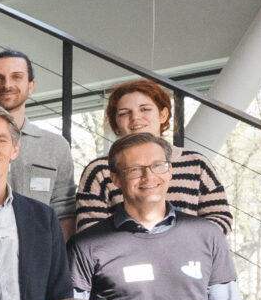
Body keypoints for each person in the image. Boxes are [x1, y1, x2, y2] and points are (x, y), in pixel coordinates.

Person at [70, 132, 244, 300]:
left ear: (170, 171)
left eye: (157, 166)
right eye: (135, 169)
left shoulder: (207, 235)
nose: (148, 177)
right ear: (115, 179)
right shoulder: (88, 244)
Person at [70, 79, 234, 233]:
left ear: (163, 115)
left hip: (190, 252)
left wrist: (178, 243)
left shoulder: (196, 163)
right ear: (116, 124)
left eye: (145, 109)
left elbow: (220, 218)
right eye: (124, 113)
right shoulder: (99, 170)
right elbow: (90, 231)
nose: (135, 117)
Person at [0, 51, 76, 222]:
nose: (7, 85)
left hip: (38, 239)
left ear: (31, 86)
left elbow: (65, 212)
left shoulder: (56, 146)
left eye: (16, 77)